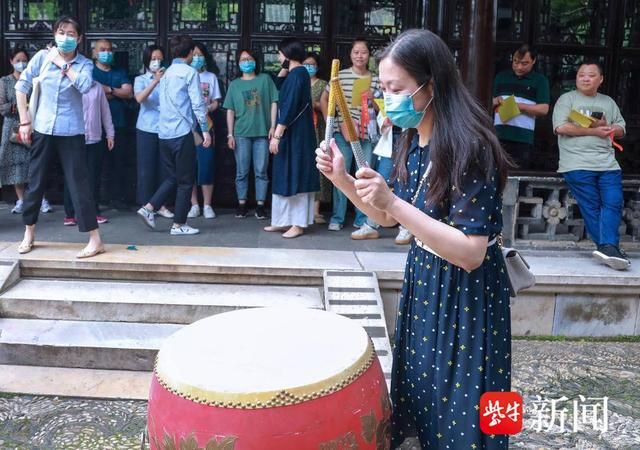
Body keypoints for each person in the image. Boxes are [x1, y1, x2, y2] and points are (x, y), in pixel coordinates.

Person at [316, 29, 512, 449]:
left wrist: (391, 201)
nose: (388, 99)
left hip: (466, 291)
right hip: (425, 279)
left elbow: (471, 252)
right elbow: (387, 217)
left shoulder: (470, 146)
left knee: (463, 397)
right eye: (383, 89)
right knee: (424, 390)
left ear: (431, 85)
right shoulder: (413, 137)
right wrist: (342, 179)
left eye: (397, 89)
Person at [15, 16, 105, 258]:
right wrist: (24, 121)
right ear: (55, 35)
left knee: (79, 184)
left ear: (79, 39)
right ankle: (29, 233)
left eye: (71, 34)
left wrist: (63, 65)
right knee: (36, 182)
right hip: (44, 129)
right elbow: (21, 86)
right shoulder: (42, 58)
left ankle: (95, 239)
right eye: (61, 32)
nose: (65, 38)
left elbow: (85, 86)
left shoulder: (84, 64)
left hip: (72, 131)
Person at [553, 62, 629, 270]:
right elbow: (561, 127)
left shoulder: (608, 102)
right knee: (592, 206)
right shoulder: (567, 99)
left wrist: (607, 127)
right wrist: (593, 130)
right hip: (576, 163)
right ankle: (610, 248)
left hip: (608, 163)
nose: (585, 79)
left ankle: (607, 248)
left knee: (614, 203)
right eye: (581, 75)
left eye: (591, 75)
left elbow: (621, 129)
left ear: (601, 79)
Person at [137, 34, 211, 236]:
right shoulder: (190, 73)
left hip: (164, 134)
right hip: (182, 133)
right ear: (190, 53)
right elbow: (198, 104)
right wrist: (205, 130)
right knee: (186, 180)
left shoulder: (166, 73)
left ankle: (149, 207)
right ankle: (178, 224)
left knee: (172, 176)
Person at [320, 38, 380, 232]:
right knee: (340, 174)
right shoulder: (340, 76)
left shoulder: (376, 79)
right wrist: (331, 123)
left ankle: (362, 218)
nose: (360, 56)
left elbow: (383, 109)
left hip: (367, 134)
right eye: (356, 52)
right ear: (350, 54)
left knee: (365, 175)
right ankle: (337, 217)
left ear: (369, 55)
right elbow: (325, 99)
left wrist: (373, 99)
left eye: (364, 52)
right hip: (343, 133)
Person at [264, 38, 319, 239]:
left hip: (296, 135)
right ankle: (282, 221)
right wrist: (286, 66)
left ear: (287, 54)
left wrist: (277, 135)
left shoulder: (298, 74)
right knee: (285, 175)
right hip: (291, 133)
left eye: (280, 54)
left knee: (296, 175)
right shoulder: (294, 74)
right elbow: (278, 85)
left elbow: (289, 108)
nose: (278, 58)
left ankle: (298, 223)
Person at [224, 49, 278, 219]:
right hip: (241, 134)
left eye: (249, 58)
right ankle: (242, 204)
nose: (246, 61)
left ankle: (260, 205)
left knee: (261, 171)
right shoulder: (234, 85)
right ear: (238, 63)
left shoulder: (265, 79)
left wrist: (273, 127)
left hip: (262, 133)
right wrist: (230, 134)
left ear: (255, 61)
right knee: (241, 171)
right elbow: (230, 110)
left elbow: (274, 103)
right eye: (243, 59)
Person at [63, 79, 114, 226]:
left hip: (94, 138)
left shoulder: (97, 87)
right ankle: (70, 213)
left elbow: (105, 112)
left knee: (93, 177)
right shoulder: (69, 84)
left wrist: (110, 134)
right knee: (72, 176)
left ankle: (94, 212)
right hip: (73, 137)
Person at [492, 44, 550, 169]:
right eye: (515, 62)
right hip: (498, 135)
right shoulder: (501, 77)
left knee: (518, 174)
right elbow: (485, 102)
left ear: (533, 61)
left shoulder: (540, 81)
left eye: (524, 63)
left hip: (522, 139)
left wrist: (519, 106)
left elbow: (544, 109)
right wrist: (495, 101)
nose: (519, 67)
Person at [92, 38, 133, 210]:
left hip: (119, 124)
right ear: (94, 53)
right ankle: (98, 200)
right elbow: (92, 93)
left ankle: (117, 199)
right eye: (102, 49)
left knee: (118, 163)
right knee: (97, 165)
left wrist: (108, 89)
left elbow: (128, 93)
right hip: (95, 126)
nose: (106, 53)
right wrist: (117, 92)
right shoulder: (90, 71)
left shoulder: (119, 71)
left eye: (109, 50)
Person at [134, 44, 173, 220]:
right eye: (153, 59)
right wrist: (155, 80)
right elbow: (140, 98)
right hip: (146, 128)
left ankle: (161, 205)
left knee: (164, 168)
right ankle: (146, 204)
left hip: (165, 128)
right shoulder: (141, 79)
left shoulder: (169, 78)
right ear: (147, 61)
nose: (157, 62)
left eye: (160, 59)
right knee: (146, 168)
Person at [187, 41, 222, 220]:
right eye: (194, 55)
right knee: (189, 166)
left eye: (200, 55)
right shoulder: (184, 75)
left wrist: (209, 108)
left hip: (206, 126)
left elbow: (216, 101)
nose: (197, 58)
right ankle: (194, 205)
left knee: (206, 164)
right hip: (187, 127)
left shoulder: (211, 77)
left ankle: (207, 204)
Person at [303, 52, 331, 224]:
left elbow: (328, 106)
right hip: (302, 130)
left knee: (319, 167)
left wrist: (316, 105)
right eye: (305, 64)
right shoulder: (298, 81)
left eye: (311, 64)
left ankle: (316, 210)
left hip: (318, 129)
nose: (309, 67)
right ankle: (302, 211)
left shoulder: (323, 84)